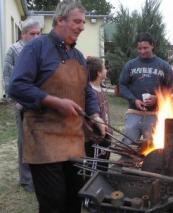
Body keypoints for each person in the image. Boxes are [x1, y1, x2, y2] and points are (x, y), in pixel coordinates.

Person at [8, 1, 105, 212]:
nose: (81, 27)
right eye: (77, 21)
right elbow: (16, 86)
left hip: (73, 139)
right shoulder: (36, 47)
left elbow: (86, 91)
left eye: (83, 22)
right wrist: (54, 102)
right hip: (44, 138)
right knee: (54, 203)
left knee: (75, 200)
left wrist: (96, 115)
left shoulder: (78, 57)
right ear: (60, 20)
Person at [3, 18, 41, 192]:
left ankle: (40, 175)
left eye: (38, 33)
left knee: (39, 140)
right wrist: (16, 101)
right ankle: (26, 180)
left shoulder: (41, 50)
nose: (36, 36)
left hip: (39, 102)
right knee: (24, 141)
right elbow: (7, 78)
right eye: (32, 34)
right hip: (22, 104)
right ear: (23, 34)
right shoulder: (14, 50)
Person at [119, 32, 173, 145]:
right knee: (128, 147)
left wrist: (158, 98)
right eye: (139, 48)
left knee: (152, 149)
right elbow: (122, 86)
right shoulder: (130, 65)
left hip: (154, 115)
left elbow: (172, 89)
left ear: (152, 46)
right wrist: (134, 100)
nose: (142, 51)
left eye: (145, 48)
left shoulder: (164, 66)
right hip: (133, 113)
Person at [85, 57, 111, 173]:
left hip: (106, 136)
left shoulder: (101, 89)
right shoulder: (90, 91)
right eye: (104, 68)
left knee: (103, 167)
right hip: (96, 139)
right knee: (95, 169)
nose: (107, 70)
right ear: (99, 73)